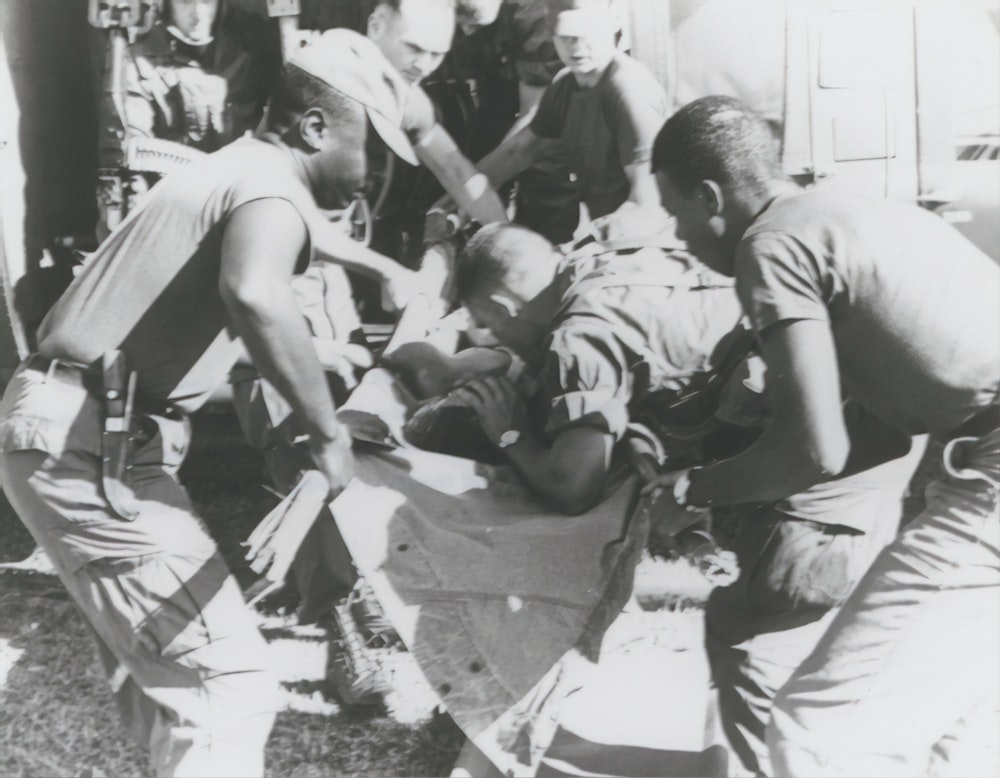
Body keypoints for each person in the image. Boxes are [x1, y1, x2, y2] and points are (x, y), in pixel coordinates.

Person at [0, 33, 414, 777]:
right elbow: (255, 294)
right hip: (85, 439)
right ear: (314, 128)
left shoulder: (240, 170)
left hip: (81, 429)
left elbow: (210, 313)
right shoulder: (270, 188)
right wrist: (327, 436)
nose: (373, 178)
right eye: (370, 153)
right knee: (228, 683)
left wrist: (339, 325)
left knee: (173, 687)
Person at [650, 95, 1000, 776]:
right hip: (972, 449)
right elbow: (881, 434)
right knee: (957, 738)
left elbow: (815, 450)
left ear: (711, 196)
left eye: (676, 215)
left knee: (819, 734)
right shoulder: (845, 207)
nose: (679, 237)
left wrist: (693, 488)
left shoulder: (770, 245)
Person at [450, 216, 741, 514]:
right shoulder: (605, 241)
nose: (496, 339)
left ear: (504, 308)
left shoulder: (577, 338)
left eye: (489, 326)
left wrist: (511, 436)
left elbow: (573, 489)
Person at [472, 0, 666, 238]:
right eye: (565, 36)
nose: (576, 47)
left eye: (587, 33)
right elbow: (517, 153)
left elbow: (649, 207)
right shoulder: (565, 85)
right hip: (609, 242)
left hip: (645, 246)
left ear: (613, 22)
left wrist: (581, 251)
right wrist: (449, 204)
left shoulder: (629, 91)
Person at [450, 0, 580, 244]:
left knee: (545, 170)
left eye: (470, 19)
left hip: (543, 105)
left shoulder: (539, 12)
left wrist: (469, 192)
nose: (465, 29)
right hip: (491, 86)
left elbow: (534, 123)